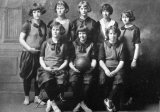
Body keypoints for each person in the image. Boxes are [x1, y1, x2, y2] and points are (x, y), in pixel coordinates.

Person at [37, 21, 69, 112]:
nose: (55, 31)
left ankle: (50, 100)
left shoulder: (64, 44)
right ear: (51, 31)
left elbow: (66, 60)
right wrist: (45, 67)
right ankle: (54, 104)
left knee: (62, 85)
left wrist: (60, 68)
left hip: (59, 69)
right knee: (47, 82)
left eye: (57, 30)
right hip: (46, 69)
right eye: (53, 30)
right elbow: (41, 58)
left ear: (60, 31)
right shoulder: (45, 43)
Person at [19, 3, 47, 105]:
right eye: (34, 12)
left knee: (38, 77)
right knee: (27, 77)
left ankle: (36, 97)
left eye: (38, 11)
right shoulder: (27, 24)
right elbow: (21, 39)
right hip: (28, 54)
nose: (37, 14)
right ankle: (27, 97)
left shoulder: (43, 24)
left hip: (39, 54)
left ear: (41, 12)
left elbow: (44, 41)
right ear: (32, 13)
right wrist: (29, 49)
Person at [47, 0, 71, 102]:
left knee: (63, 72)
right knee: (53, 71)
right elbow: (48, 37)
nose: (60, 10)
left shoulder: (69, 22)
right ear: (56, 10)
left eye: (62, 8)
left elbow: (71, 37)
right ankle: (52, 97)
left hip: (64, 48)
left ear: (65, 10)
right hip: (53, 48)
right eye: (58, 8)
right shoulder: (52, 22)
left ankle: (61, 94)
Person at [69, 25, 97, 112]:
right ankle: (81, 103)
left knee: (88, 83)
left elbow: (94, 59)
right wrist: (73, 68)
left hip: (88, 68)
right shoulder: (73, 44)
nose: (82, 35)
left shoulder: (92, 44)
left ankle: (80, 104)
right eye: (80, 33)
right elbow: (70, 60)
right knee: (73, 81)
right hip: (75, 68)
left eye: (84, 33)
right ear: (77, 34)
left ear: (87, 34)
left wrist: (92, 67)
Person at [99, 26, 125, 112]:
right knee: (102, 80)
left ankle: (109, 100)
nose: (112, 35)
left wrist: (116, 70)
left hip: (117, 67)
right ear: (107, 34)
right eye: (110, 33)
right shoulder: (103, 44)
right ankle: (107, 101)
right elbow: (100, 60)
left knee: (119, 79)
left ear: (117, 34)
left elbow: (122, 61)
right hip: (105, 67)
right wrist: (106, 70)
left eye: (114, 33)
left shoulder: (121, 45)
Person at [119, 10, 141, 108]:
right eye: (123, 17)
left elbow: (137, 46)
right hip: (123, 58)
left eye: (127, 17)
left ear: (131, 18)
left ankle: (132, 101)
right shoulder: (121, 28)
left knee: (131, 80)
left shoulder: (135, 29)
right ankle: (124, 100)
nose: (124, 19)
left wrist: (134, 60)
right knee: (123, 80)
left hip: (131, 58)